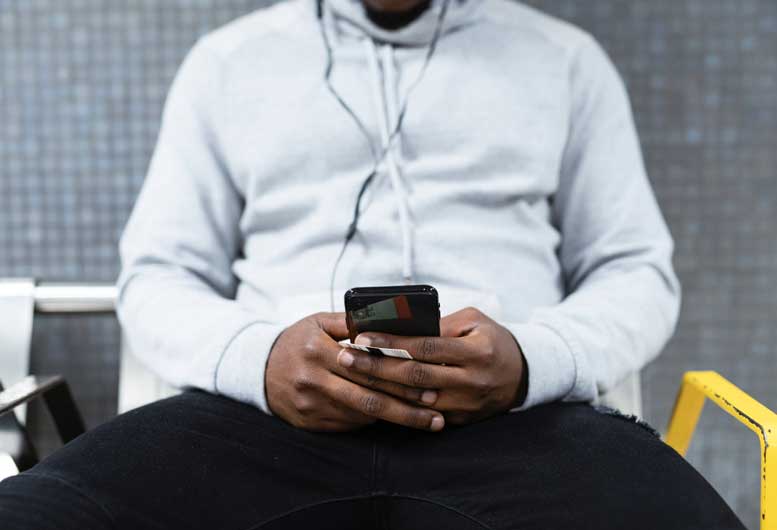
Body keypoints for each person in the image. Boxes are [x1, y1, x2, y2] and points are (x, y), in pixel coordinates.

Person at [0, 0, 746, 528]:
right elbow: (157, 275)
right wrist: (260, 360)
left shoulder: (566, 62)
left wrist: (529, 359)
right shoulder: (226, 65)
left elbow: (635, 269)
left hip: (521, 425)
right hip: (258, 422)